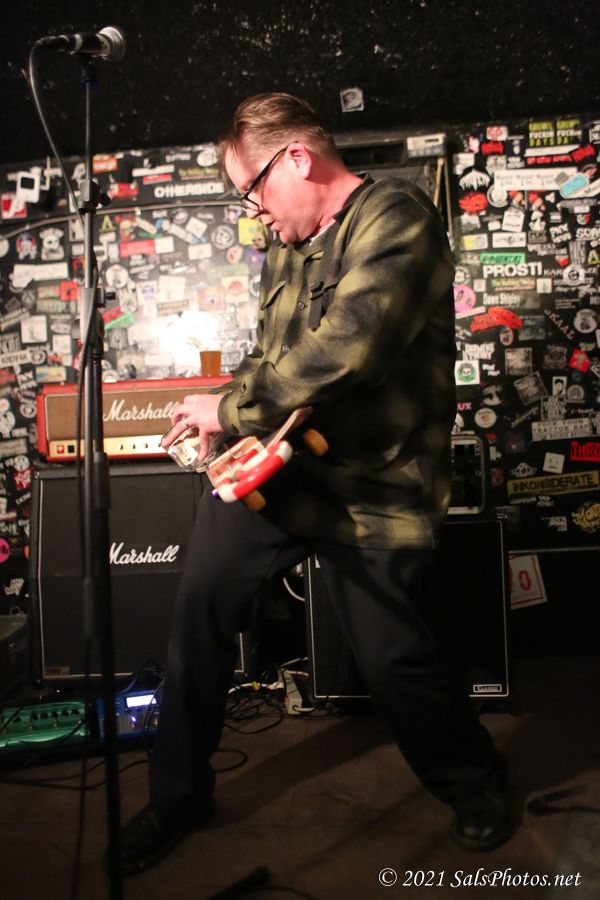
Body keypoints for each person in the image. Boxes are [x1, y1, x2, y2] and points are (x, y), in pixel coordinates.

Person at [117, 93, 513, 876]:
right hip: (286, 476)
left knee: (395, 660)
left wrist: (230, 407)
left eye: (253, 189)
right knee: (198, 616)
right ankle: (178, 797)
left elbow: (348, 349)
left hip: (376, 487)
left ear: (297, 157)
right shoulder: (287, 246)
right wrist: (228, 413)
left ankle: (477, 783)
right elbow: (273, 358)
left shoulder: (397, 217)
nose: (253, 210)